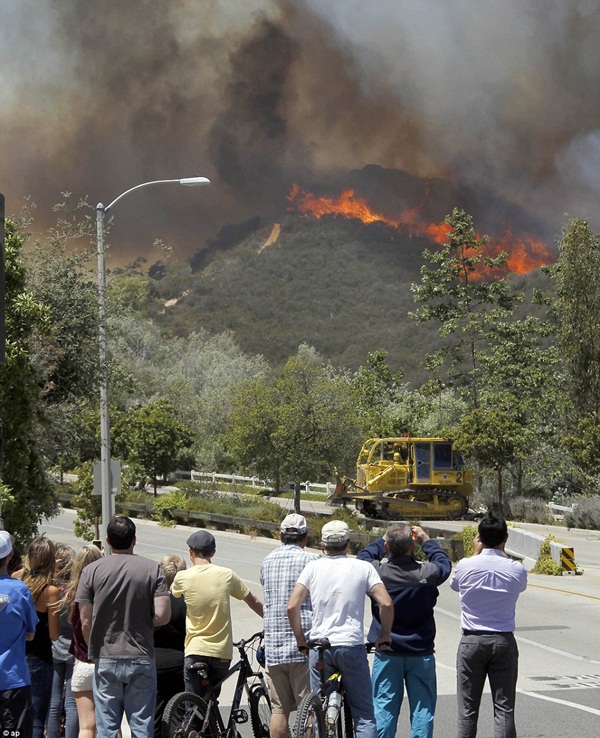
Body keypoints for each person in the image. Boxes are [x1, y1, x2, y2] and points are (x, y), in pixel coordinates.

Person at [287, 520, 393, 738]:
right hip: (351, 645)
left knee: (320, 710)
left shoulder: (312, 567)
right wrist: (384, 634)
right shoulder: (363, 567)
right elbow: (386, 603)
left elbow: (292, 606)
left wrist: (300, 640)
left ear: (323, 544)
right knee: (363, 714)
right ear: (348, 543)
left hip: (320, 646)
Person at [75, 517, 171, 738]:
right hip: (141, 656)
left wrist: (93, 651)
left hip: (106, 656)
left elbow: (86, 621)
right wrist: (141, 621)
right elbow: (163, 616)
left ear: (107, 540)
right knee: (141, 726)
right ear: (134, 540)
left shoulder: (91, 571)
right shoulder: (152, 569)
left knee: (107, 727)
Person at [358, 524, 452, 738]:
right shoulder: (426, 573)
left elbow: (362, 559)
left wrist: (381, 542)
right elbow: (444, 563)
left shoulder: (377, 573)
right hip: (421, 651)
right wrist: (426, 540)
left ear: (386, 547)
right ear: (412, 546)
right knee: (423, 711)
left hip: (388, 650)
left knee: (383, 710)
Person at [450, 513, 527, 738]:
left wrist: (475, 554)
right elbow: (520, 586)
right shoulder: (516, 569)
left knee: (467, 711)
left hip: (471, 640)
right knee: (504, 709)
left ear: (479, 538)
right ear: (506, 537)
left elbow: (454, 585)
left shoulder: (465, 565)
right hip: (503, 641)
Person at [171, 529, 263, 699]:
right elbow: (253, 601)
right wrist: (273, 621)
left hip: (195, 650)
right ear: (213, 552)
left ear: (190, 551)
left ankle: (191, 725)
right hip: (221, 653)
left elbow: (172, 595)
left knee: (193, 704)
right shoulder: (227, 575)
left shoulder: (182, 577)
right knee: (211, 701)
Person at [259, 514, 319, 738]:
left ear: (281, 535)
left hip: (274, 646)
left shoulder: (267, 561)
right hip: (302, 642)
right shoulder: (312, 561)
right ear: (304, 537)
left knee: (279, 709)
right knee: (308, 707)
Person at [13, 535, 61, 738]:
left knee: (16, 715)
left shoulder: (15, 578)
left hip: (15, 655)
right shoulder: (51, 591)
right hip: (40, 658)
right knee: (37, 717)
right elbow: (54, 634)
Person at [0, 530, 39, 738]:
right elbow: (31, 633)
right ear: (10, 556)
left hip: (13, 680)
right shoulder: (20, 590)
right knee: (14, 734)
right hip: (12, 678)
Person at [64, 545, 103, 738]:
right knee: (109, 725)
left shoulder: (71, 593)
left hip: (81, 664)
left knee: (86, 727)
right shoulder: (103, 592)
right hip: (103, 662)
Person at [153, 554, 187, 738]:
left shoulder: (154, 602)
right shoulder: (186, 602)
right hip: (179, 664)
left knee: (154, 717)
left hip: (155, 664)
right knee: (178, 715)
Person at [47, 544, 78, 738]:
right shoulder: (75, 592)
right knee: (72, 703)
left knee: (54, 701)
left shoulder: (51, 591)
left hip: (54, 648)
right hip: (73, 651)